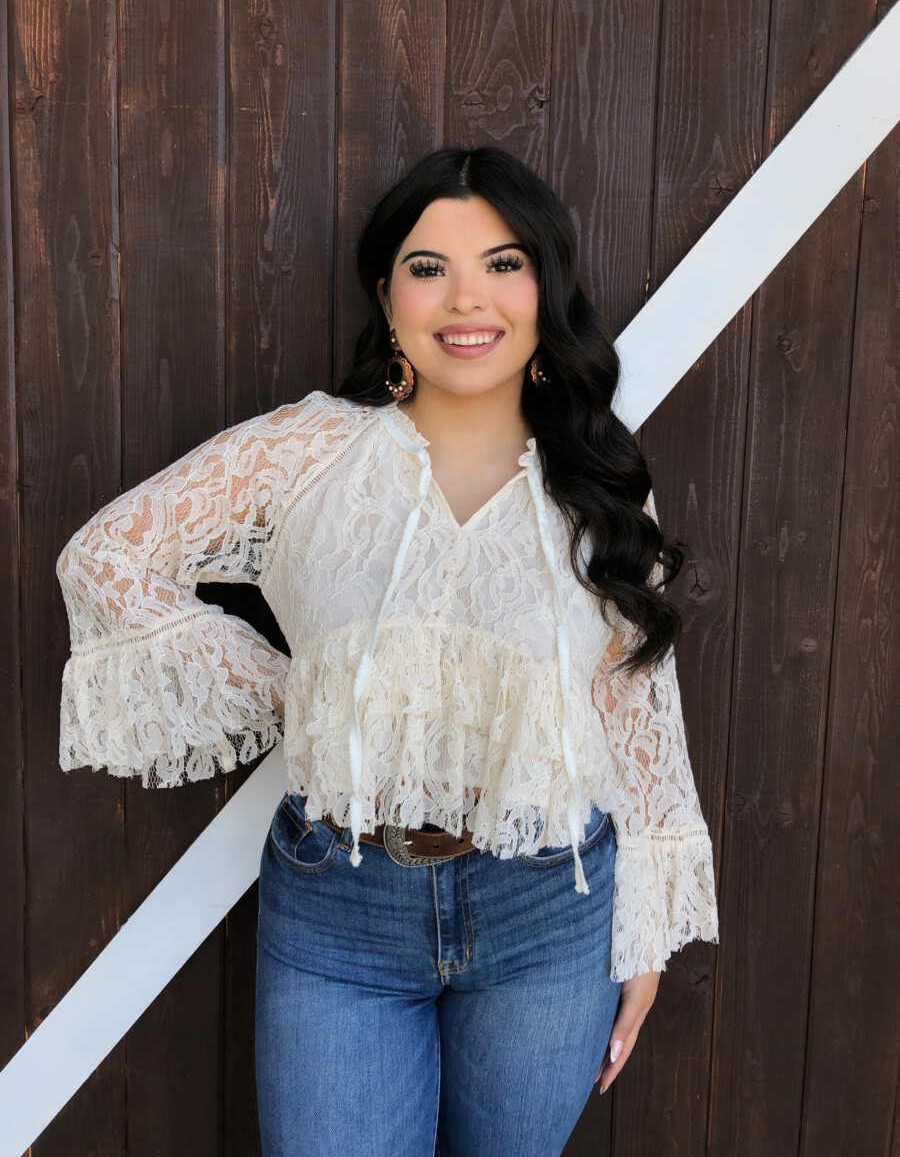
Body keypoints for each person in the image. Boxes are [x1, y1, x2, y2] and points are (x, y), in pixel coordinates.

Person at [55, 144, 719, 1157]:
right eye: (428, 266)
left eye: (503, 263)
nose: (467, 298)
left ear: (545, 290)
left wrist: (649, 934)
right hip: (340, 906)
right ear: (387, 293)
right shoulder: (307, 450)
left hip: (550, 908)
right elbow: (108, 559)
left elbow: (634, 701)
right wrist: (303, 692)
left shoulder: (598, 480)